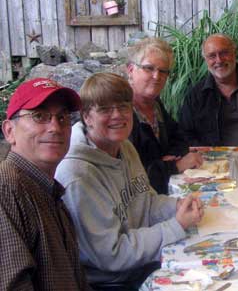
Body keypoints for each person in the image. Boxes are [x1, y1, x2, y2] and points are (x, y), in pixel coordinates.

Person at [55, 73, 204, 291]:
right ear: (87, 117)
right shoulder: (78, 175)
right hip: (114, 282)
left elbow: (146, 202)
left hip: (142, 263)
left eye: (124, 107)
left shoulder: (124, 147)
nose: (117, 115)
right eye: (105, 109)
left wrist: (177, 206)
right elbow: (112, 255)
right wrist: (176, 225)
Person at [0, 77, 90, 290]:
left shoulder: (49, 189)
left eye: (62, 117)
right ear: (9, 131)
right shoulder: (7, 188)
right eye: (39, 116)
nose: (55, 127)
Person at [127, 37, 203, 194]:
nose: (157, 76)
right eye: (149, 68)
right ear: (130, 70)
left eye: (163, 71)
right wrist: (175, 166)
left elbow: (179, 136)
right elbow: (131, 175)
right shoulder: (122, 113)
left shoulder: (154, 104)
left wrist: (172, 156)